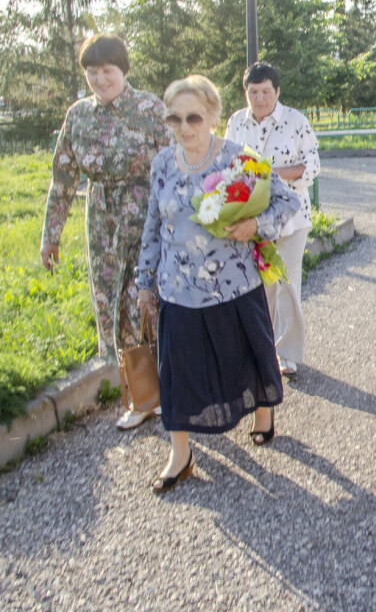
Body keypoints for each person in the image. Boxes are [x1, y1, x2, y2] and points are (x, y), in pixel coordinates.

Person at [136, 75, 299, 493]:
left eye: (193, 117)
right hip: (177, 288)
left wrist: (254, 225)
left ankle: (263, 411)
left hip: (233, 284)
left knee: (245, 356)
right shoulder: (162, 163)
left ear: (212, 115)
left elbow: (288, 201)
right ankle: (180, 454)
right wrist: (144, 282)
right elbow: (153, 225)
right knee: (177, 373)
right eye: (174, 118)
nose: (184, 127)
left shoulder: (237, 158)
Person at [40, 33, 171, 431]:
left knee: (149, 303)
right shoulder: (78, 115)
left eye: (107, 70)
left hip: (149, 217)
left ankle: (172, 389)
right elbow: (63, 177)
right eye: (92, 72)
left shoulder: (150, 107)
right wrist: (51, 236)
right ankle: (144, 398)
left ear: (123, 69)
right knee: (115, 309)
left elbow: (177, 161)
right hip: (102, 221)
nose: (100, 79)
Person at [225, 62, 320, 378]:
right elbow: (229, 164)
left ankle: (288, 353)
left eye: (266, 91)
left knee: (287, 284)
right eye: (254, 92)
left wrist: (269, 173)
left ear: (277, 92)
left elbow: (311, 165)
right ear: (246, 93)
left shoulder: (296, 121)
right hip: (254, 220)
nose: (260, 98)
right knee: (260, 286)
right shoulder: (236, 122)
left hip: (291, 218)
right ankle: (263, 349)